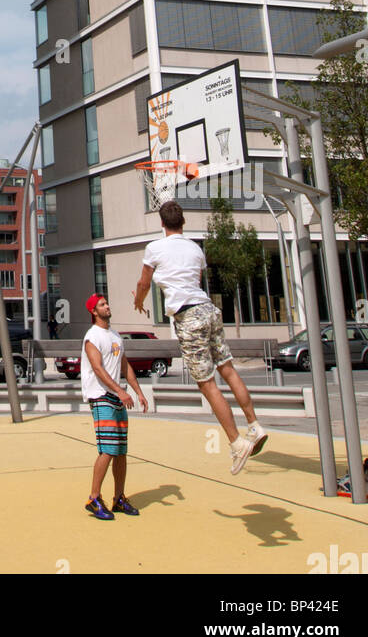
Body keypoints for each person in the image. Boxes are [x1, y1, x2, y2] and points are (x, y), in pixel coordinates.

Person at [133, 199, 267, 475]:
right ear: (183, 222)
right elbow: (194, 277)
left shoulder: (155, 248)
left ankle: (236, 442)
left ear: (161, 223)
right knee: (227, 368)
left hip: (188, 316)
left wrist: (139, 300)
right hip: (208, 309)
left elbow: (144, 282)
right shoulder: (195, 249)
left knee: (207, 384)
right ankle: (254, 424)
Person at [81, 293, 147, 520]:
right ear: (93, 311)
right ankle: (94, 498)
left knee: (120, 451)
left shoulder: (115, 336)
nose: (107, 306)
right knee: (108, 449)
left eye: (107, 303)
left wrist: (137, 391)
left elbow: (124, 365)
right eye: (101, 304)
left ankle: (119, 498)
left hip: (117, 397)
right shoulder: (92, 337)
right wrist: (119, 391)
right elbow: (98, 369)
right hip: (101, 397)